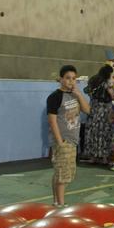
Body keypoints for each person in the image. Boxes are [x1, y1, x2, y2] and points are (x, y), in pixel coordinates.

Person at [46, 65, 90, 207]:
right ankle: (61, 204)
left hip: (73, 139)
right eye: (68, 78)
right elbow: (52, 121)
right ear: (61, 79)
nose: (71, 81)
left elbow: (87, 110)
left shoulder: (74, 94)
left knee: (62, 173)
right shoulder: (55, 97)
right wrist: (60, 142)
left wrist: (78, 94)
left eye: (74, 79)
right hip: (64, 140)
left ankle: (56, 202)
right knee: (63, 175)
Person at [83, 64, 114, 164]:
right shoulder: (107, 82)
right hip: (105, 109)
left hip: (94, 107)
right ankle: (104, 158)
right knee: (104, 132)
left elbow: (87, 91)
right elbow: (112, 95)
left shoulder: (93, 79)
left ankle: (92, 157)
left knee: (92, 131)